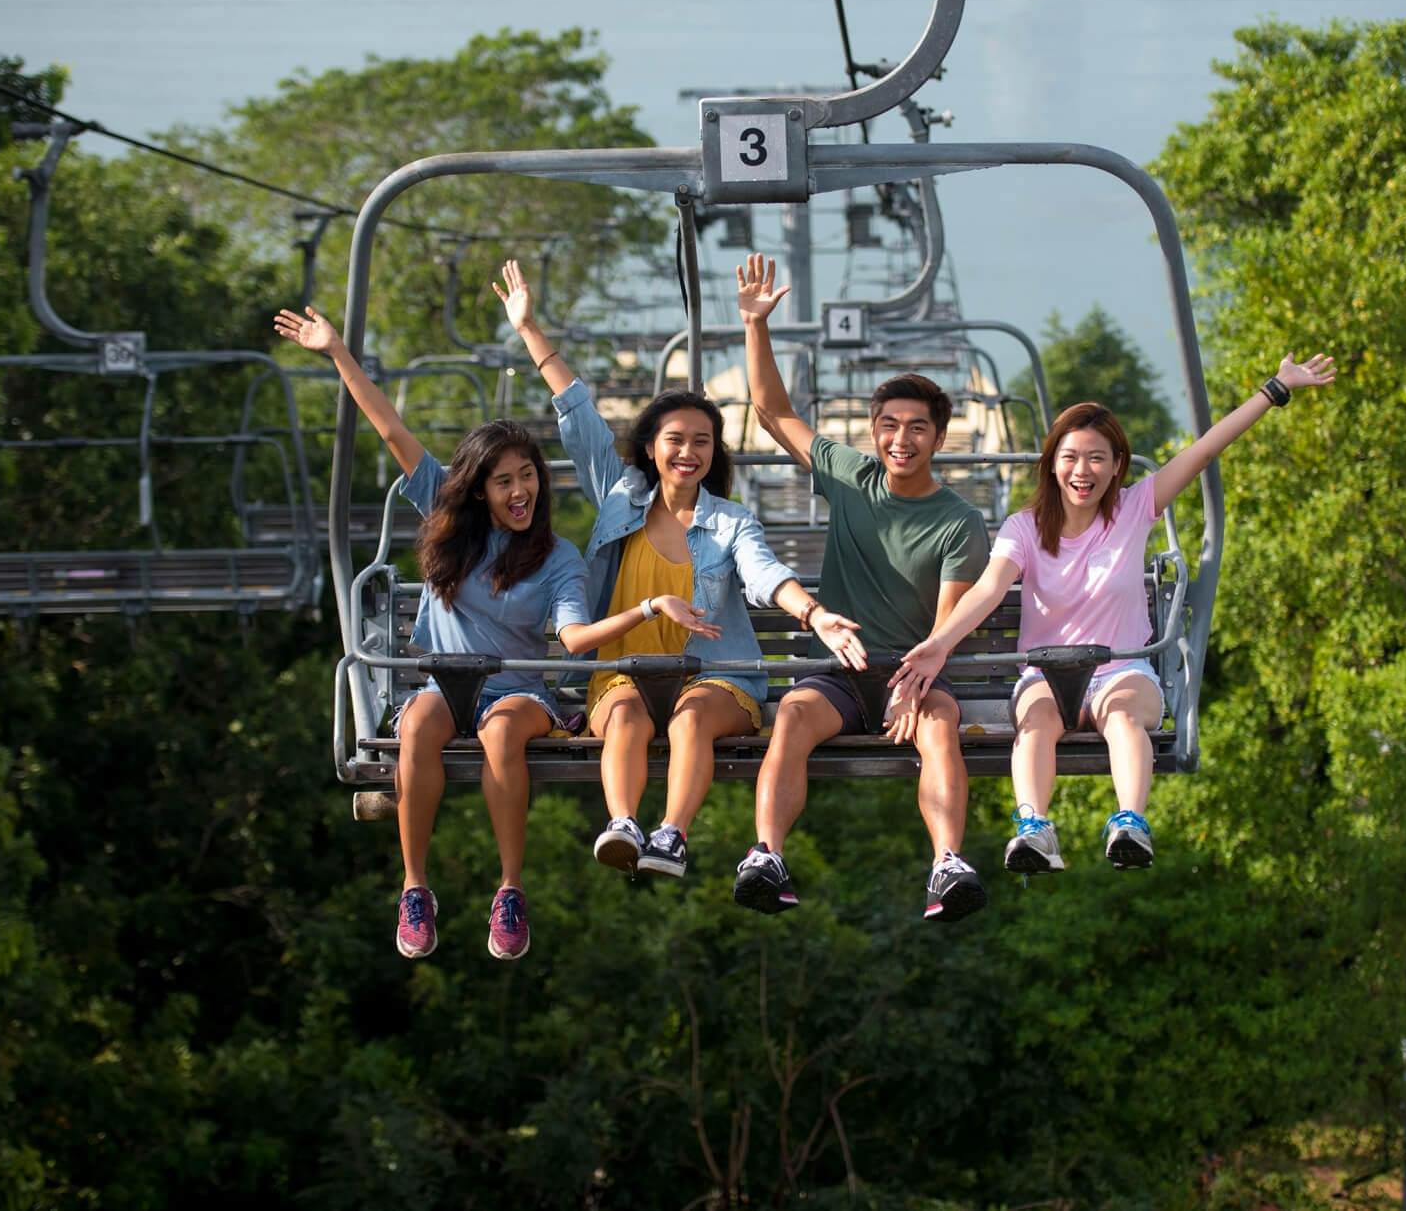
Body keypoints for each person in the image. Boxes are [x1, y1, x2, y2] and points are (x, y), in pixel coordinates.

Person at [275, 305, 704, 961]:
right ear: (478, 491)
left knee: (502, 729)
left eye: (527, 476)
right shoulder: (453, 528)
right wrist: (337, 353)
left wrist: (646, 609)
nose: (519, 490)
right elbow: (391, 431)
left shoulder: (557, 557)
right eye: (503, 481)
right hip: (446, 683)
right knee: (416, 725)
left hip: (516, 691)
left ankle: (509, 890)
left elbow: (576, 637)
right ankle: (415, 887)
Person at [493, 260, 867, 880]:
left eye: (702, 441)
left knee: (692, 716)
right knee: (626, 716)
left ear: (713, 452)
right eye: (675, 439)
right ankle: (623, 823)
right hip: (622, 668)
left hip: (714, 674)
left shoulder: (729, 522)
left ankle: (670, 835)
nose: (688, 452)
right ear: (650, 447)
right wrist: (530, 329)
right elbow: (577, 414)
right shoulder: (620, 498)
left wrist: (813, 612)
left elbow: (763, 572)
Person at [892, 355, 1335, 875]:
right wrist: (941, 642)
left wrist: (1275, 388)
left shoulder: (1134, 508)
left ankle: (1130, 823)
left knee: (1123, 718)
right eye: (1072, 458)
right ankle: (1035, 828)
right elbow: (990, 587)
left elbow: (1206, 449)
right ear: (1053, 462)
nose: (1083, 472)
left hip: (1122, 668)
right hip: (1045, 671)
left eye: (1097, 459)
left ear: (1117, 465)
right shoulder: (1024, 527)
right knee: (1034, 724)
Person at [731, 252, 993, 921]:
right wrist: (755, 326)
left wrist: (914, 685)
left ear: (938, 436)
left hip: (916, 673)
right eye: (888, 426)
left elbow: (944, 628)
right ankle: (766, 853)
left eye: (915, 428)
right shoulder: (850, 475)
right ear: (873, 432)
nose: (900, 440)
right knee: (789, 716)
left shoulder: (958, 522)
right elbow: (770, 411)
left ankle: (946, 863)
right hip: (840, 675)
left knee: (939, 730)